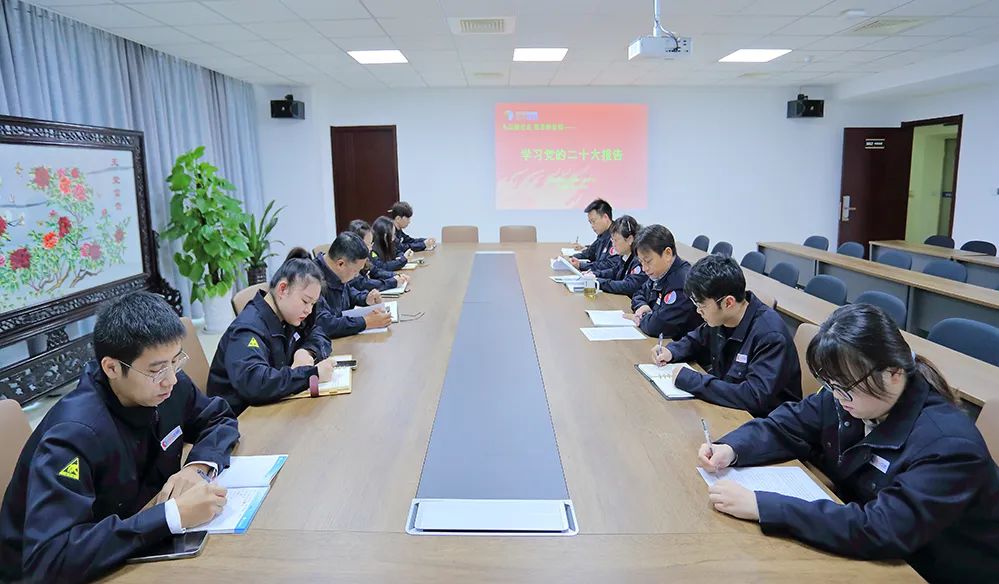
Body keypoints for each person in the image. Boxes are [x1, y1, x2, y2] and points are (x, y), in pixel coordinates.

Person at [698, 304, 999, 583]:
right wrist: (732, 448)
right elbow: (788, 424)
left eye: (845, 388)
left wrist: (763, 506)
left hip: (929, 569)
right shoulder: (852, 396)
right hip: (875, 551)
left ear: (894, 373)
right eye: (830, 385)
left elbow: (882, 528)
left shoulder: (948, 446)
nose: (837, 397)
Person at [0, 292, 238, 583]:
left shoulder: (168, 386)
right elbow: (50, 560)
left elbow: (218, 418)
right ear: (112, 367)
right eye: (156, 370)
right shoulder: (73, 434)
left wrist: (196, 467)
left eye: (176, 361)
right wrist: (171, 516)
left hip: (133, 546)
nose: (171, 379)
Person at [652, 254, 801, 417]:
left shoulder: (770, 336)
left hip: (764, 421)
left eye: (701, 305)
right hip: (730, 408)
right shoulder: (723, 317)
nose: (698, 311)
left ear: (728, 303)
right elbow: (697, 339)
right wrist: (672, 351)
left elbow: (753, 396)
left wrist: (694, 381)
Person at [207, 248, 336, 415]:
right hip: (240, 417)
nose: (309, 310)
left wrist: (307, 351)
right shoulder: (247, 329)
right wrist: (312, 375)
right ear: (282, 289)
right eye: (305, 301)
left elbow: (319, 333)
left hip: (271, 407)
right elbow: (255, 383)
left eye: (313, 304)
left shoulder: (289, 314)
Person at [628, 224, 702, 339]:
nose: (644, 268)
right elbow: (639, 293)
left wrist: (641, 317)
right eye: (641, 262)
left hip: (677, 345)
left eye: (648, 261)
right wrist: (642, 306)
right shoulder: (659, 272)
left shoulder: (683, 283)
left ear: (667, 253)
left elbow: (657, 327)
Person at [315, 232, 393, 338]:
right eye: (355, 271)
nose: (356, 276)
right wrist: (366, 322)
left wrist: (366, 299)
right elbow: (325, 324)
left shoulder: (336, 272)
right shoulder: (311, 279)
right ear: (341, 264)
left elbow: (348, 293)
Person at [586, 215, 647, 298]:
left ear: (630, 239)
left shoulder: (639, 259)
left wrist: (598, 282)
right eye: (612, 240)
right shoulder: (625, 255)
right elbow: (615, 272)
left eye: (616, 240)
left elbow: (628, 286)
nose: (613, 245)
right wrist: (594, 274)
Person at [347, 219, 410, 292]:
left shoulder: (364, 257)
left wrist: (396, 275)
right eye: (367, 244)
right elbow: (363, 284)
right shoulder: (349, 262)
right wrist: (392, 282)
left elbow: (375, 271)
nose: (370, 248)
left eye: (371, 243)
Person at [569, 198, 615, 272]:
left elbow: (607, 266)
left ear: (605, 217)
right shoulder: (602, 235)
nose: (592, 226)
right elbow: (590, 253)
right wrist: (571, 258)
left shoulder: (616, 236)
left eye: (593, 221)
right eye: (590, 222)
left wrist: (581, 265)